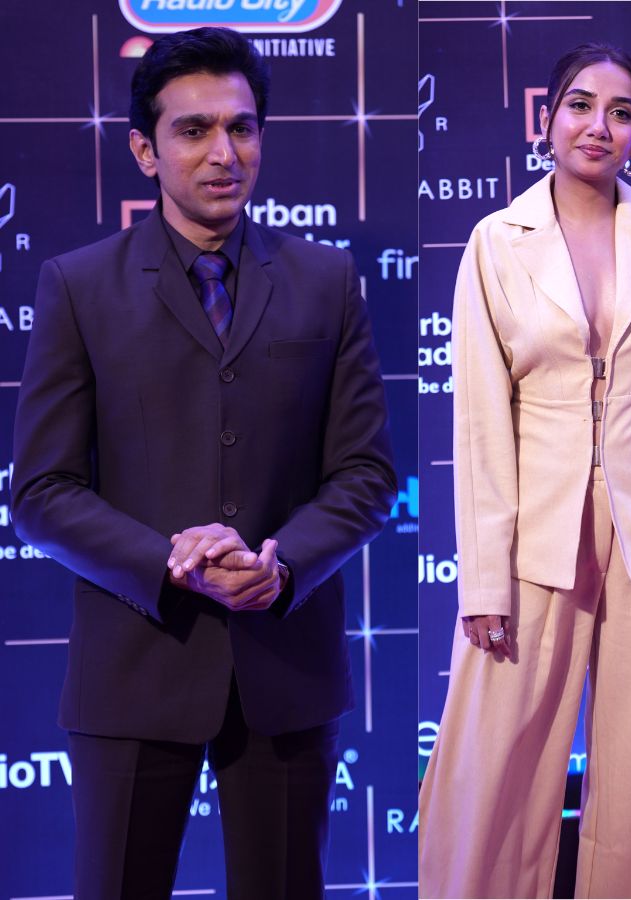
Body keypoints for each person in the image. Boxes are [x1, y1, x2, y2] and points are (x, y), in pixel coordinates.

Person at [11, 27, 396, 900]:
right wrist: (171, 562)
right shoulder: (79, 285)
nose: (225, 152)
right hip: (134, 664)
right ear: (145, 151)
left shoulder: (327, 281)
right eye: (194, 130)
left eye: (242, 127)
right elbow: (41, 491)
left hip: (286, 668)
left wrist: (281, 566)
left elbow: (368, 476)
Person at [417, 42, 631, 899]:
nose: (599, 126)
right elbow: (479, 420)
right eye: (581, 105)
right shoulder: (497, 242)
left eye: (622, 112)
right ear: (548, 119)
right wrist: (483, 580)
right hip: (534, 541)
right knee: (493, 774)